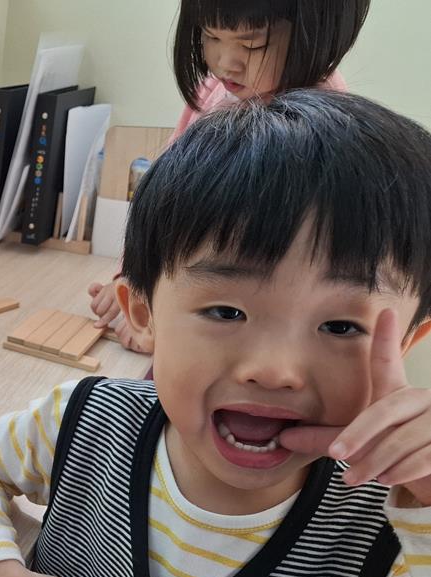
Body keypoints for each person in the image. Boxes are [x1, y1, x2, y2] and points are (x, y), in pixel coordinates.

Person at [0, 91, 431, 577]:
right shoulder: (88, 422)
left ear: (407, 342)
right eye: (225, 311)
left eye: (340, 326)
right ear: (141, 314)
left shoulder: (388, 521)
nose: (275, 370)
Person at [90, 0, 369, 353]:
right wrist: (135, 276)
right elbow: (165, 202)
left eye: (252, 44)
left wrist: (169, 326)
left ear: (315, 36)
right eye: (211, 36)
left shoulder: (322, 123)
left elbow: (267, 274)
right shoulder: (214, 90)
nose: (225, 62)